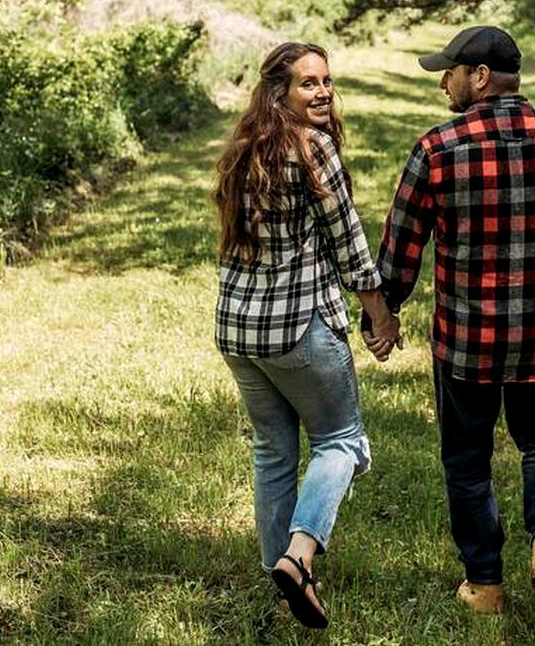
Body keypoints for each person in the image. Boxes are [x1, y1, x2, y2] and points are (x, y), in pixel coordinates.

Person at [364, 25, 535, 621]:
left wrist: (381, 315)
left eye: (449, 72)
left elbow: (401, 249)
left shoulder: (437, 149)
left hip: (464, 346)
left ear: (479, 76)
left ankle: (485, 584)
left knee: (466, 458)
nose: (443, 82)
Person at [213, 41, 399, 630]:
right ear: (279, 93)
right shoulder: (314, 148)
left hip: (239, 329)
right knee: (341, 442)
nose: (321, 93)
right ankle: (299, 555)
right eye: (307, 84)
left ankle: (281, 575)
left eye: (326, 81)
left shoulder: (243, 151)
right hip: (297, 328)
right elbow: (350, 243)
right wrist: (380, 315)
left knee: (273, 451)